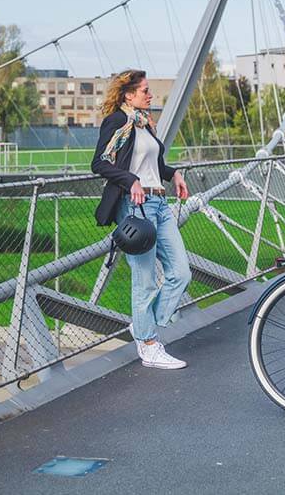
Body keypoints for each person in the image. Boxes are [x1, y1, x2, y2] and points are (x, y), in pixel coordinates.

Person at [91, 69, 192, 370]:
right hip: (135, 206)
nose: (151, 95)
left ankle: (143, 324)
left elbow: (155, 164)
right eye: (145, 90)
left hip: (159, 203)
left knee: (181, 272)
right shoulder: (118, 122)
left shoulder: (145, 123)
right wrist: (130, 179)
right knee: (145, 280)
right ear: (129, 95)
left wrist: (173, 173)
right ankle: (148, 346)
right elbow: (99, 163)